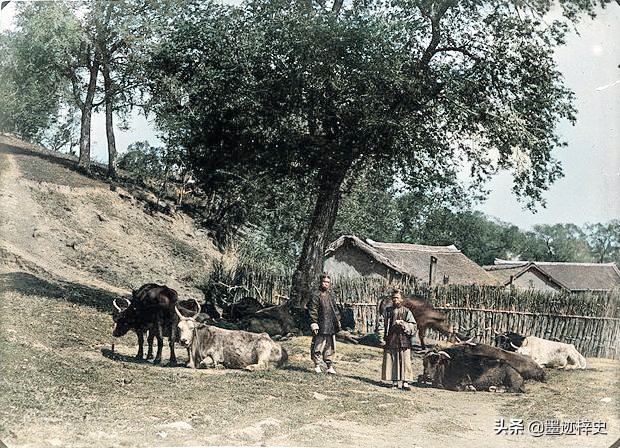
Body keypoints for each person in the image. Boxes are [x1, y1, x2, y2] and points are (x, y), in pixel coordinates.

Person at [381, 288, 416, 390]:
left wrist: (404, 324)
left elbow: (413, 325)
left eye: (397, 298)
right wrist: (383, 336)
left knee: (405, 360)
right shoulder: (388, 311)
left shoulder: (407, 311)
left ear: (401, 299)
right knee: (393, 360)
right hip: (392, 338)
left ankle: (405, 382)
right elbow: (383, 324)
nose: (395, 300)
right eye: (393, 298)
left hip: (403, 339)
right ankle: (394, 381)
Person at [308, 273, 341, 374]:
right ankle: (317, 365)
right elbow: (312, 309)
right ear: (320, 282)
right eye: (324, 282)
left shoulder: (330, 295)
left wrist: (338, 320)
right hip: (321, 324)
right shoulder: (315, 295)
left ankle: (329, 366)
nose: (326, 284)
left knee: (330, 346)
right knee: (318, 345)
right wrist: (314, 322)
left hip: (330, 325)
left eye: (328, 282)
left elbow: (335, 309)